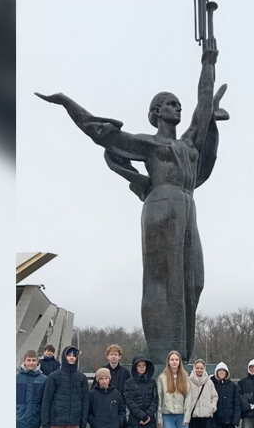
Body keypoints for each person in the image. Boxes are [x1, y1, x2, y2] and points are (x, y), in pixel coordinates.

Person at [35, 35, 228, 362]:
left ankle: (180, 356)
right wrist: (67, 102)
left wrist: (208, 63)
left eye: (179, 104)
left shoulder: (188, 144)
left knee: (193, 281)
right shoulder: (149, 144)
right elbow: (102, 133)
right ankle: (163, 356)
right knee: (164, 281)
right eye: (171, 104)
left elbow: (204, 106)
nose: (178, 107)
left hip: (187, 205)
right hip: (161, 207)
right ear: (156, 112)